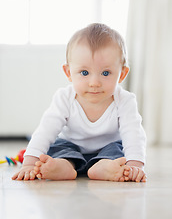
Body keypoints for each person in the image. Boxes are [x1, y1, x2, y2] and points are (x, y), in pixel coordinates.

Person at [12, 23, 147, 182]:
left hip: (108, 151)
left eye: (105, 73)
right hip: (70, 147)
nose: (94, 82)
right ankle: (64, 166)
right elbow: (45, 130)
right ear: (69, 73)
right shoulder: (65, 98)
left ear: (122, 74)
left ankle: (102, 167)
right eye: (84, 73)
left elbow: (134, 134)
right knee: (56, 148)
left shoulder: (125, 101)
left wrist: (135, 166)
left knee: (119, 151)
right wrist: (29, 162)